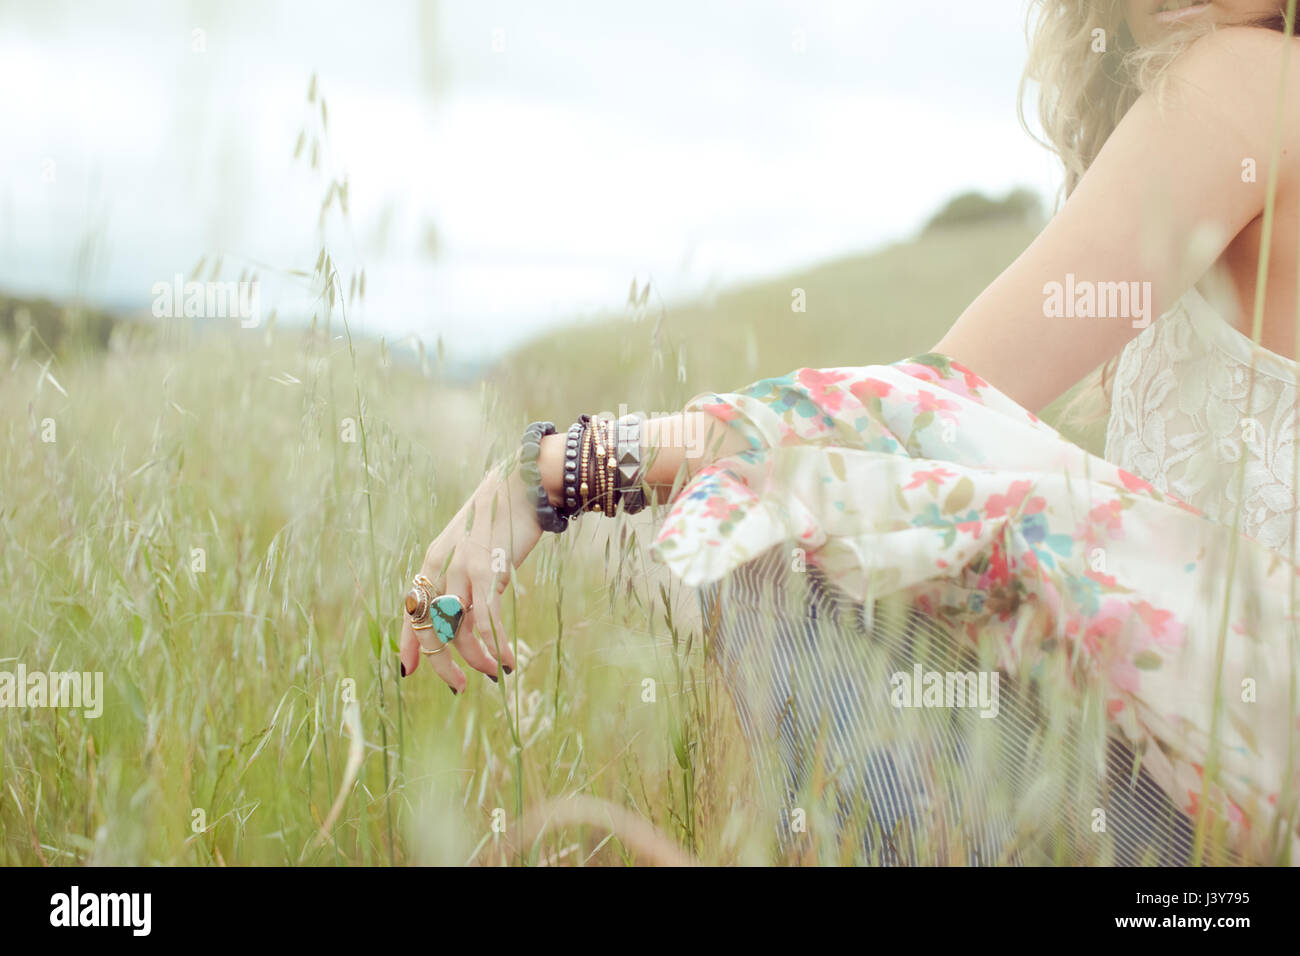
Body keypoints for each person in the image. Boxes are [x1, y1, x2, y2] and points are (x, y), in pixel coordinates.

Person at [398, 1, 1300, 865]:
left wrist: (565, 468)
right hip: (1240, 787)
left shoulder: (1244, 80)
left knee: (788, 543)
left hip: (1225, 791)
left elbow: (920, 418)